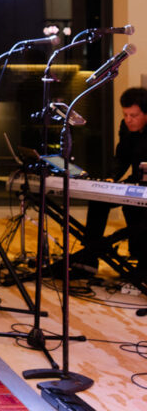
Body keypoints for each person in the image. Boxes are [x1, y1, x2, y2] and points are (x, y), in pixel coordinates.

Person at [58, 87, 147, 279]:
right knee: (99, 200)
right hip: (137, 181)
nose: (129, 119)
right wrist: (111, 178)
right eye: (125, 114)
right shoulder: (126, 127)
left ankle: (143, 262)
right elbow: (122, 157)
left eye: (134, 115)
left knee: (135, 209)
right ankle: (88, 261)